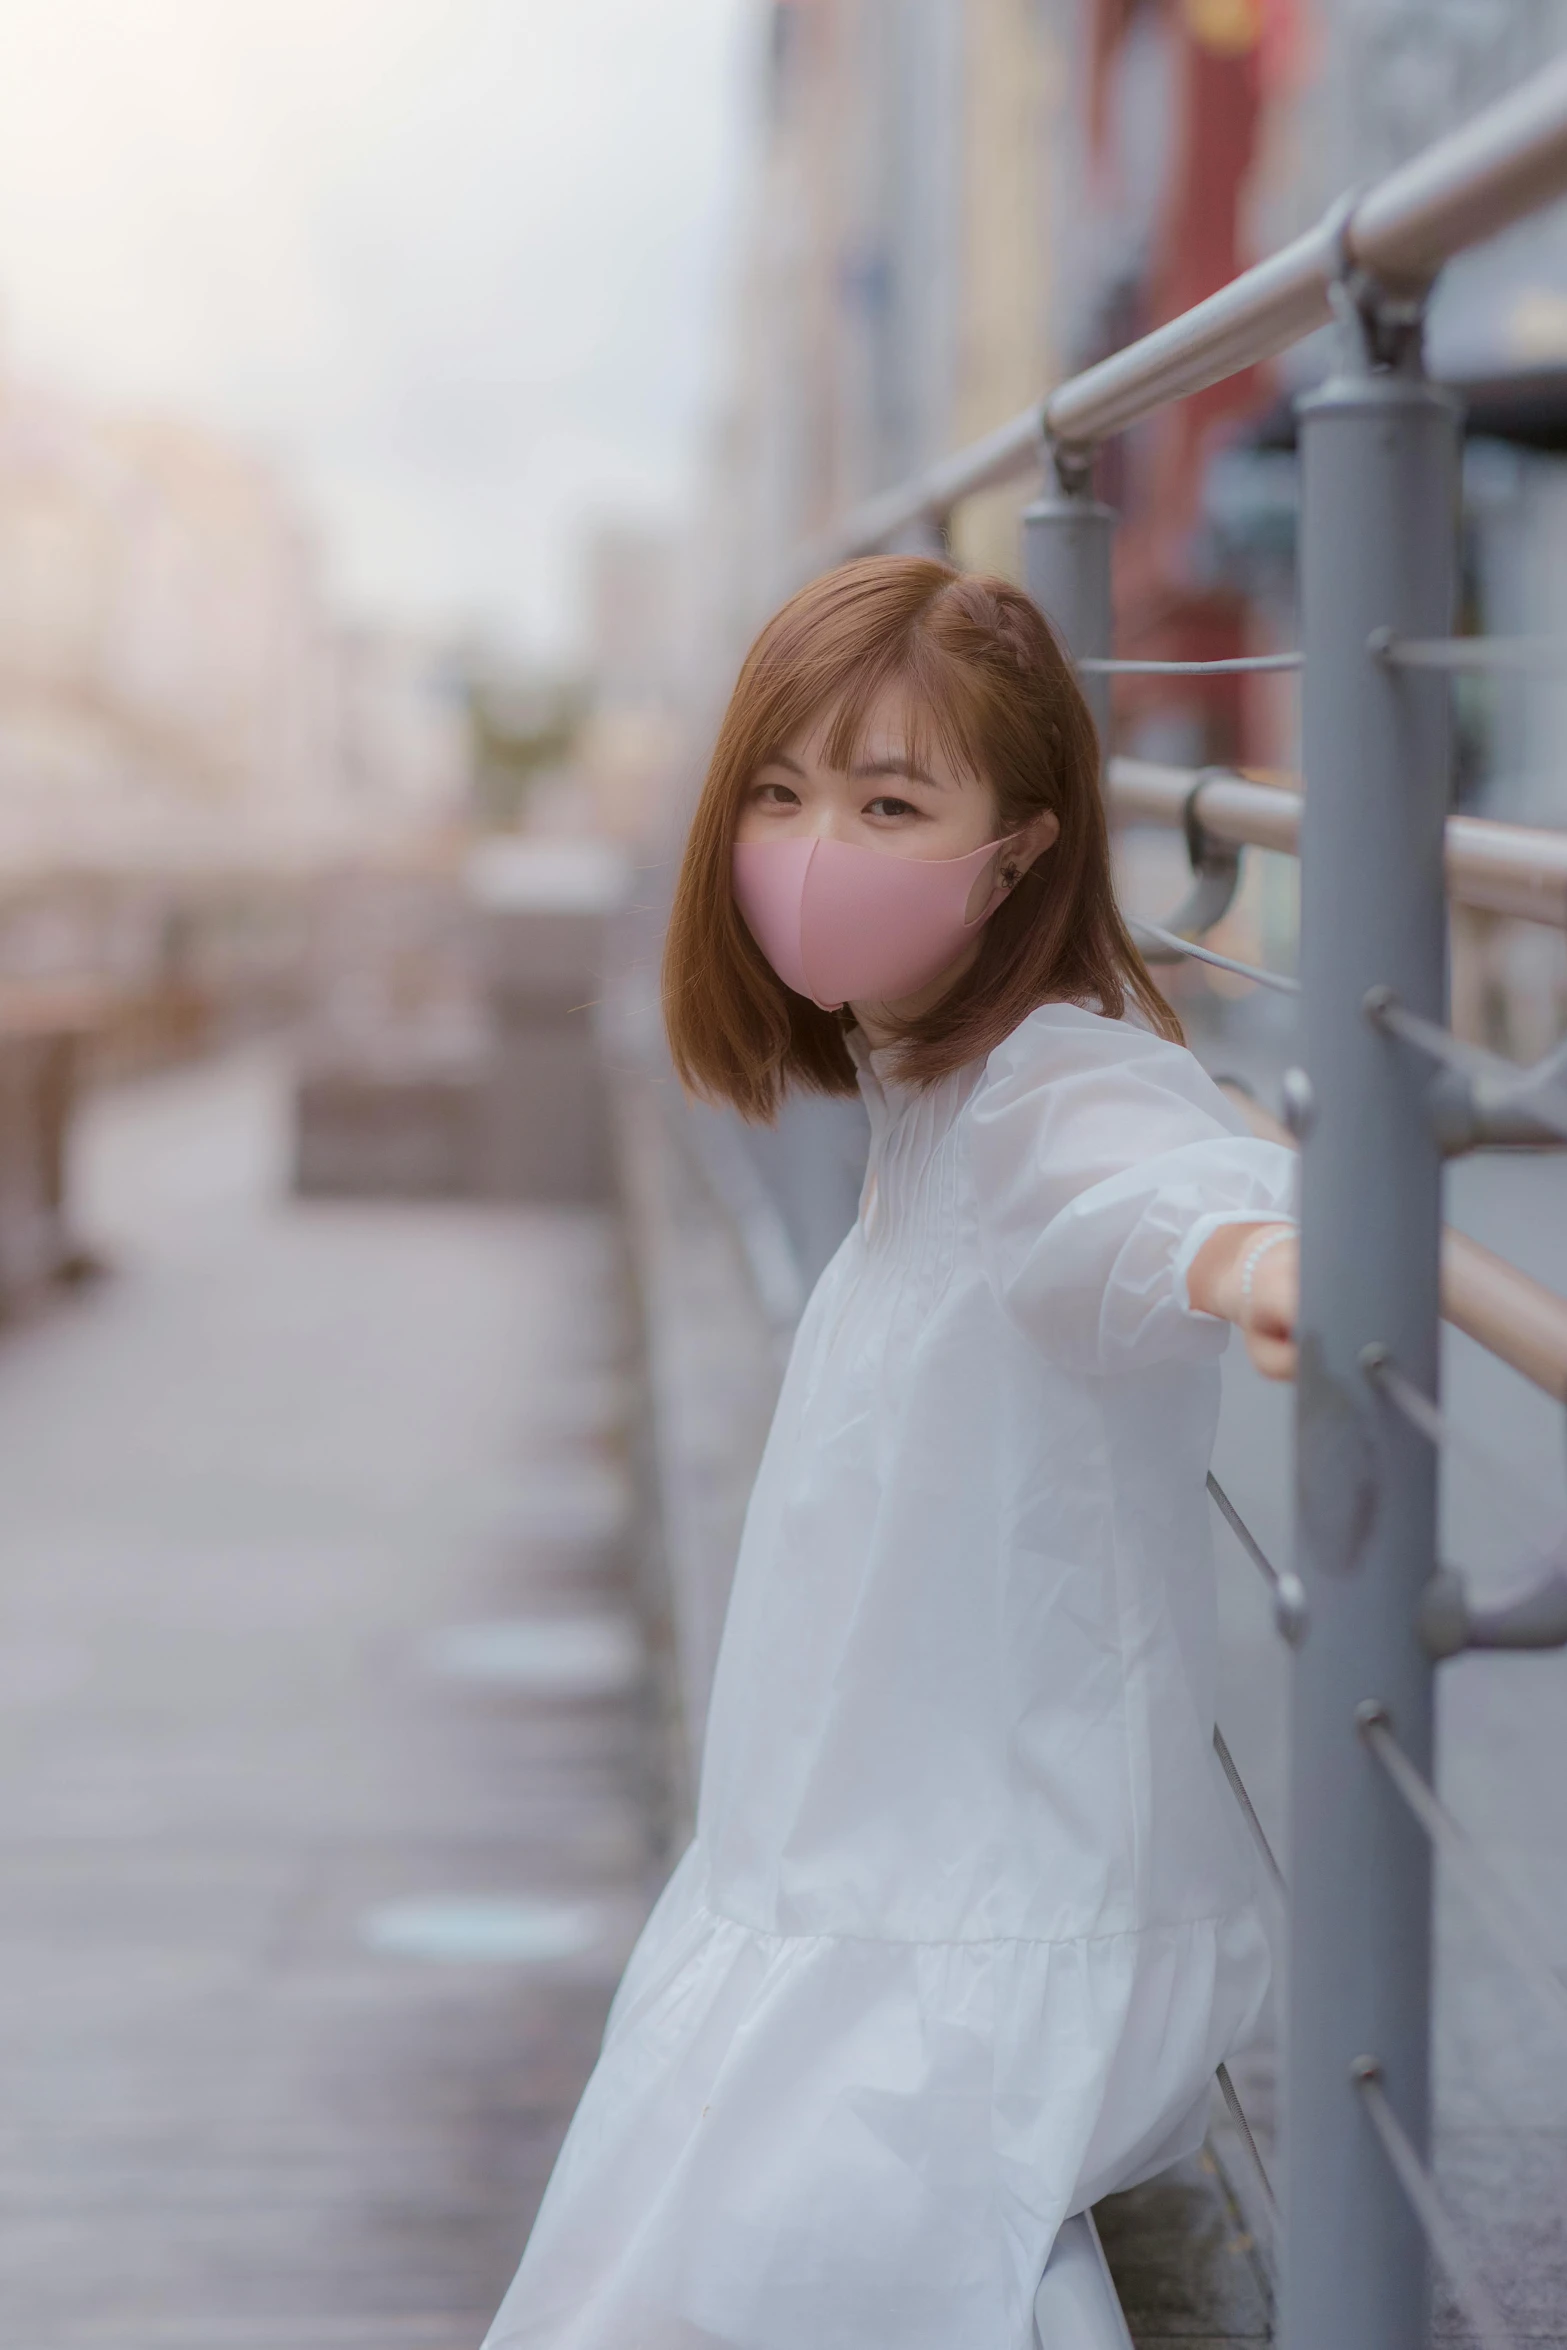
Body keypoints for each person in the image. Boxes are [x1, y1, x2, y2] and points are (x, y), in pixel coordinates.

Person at [482, 558, 1299, 2350]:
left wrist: (1266, 1262)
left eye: (889, 800)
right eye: (777, 791)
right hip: (848, 1895)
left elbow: (1156, 1185)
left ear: (1017, 847)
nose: (811, 842)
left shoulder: (1038, 1092)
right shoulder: (927, 1083)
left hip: (978, 1950)